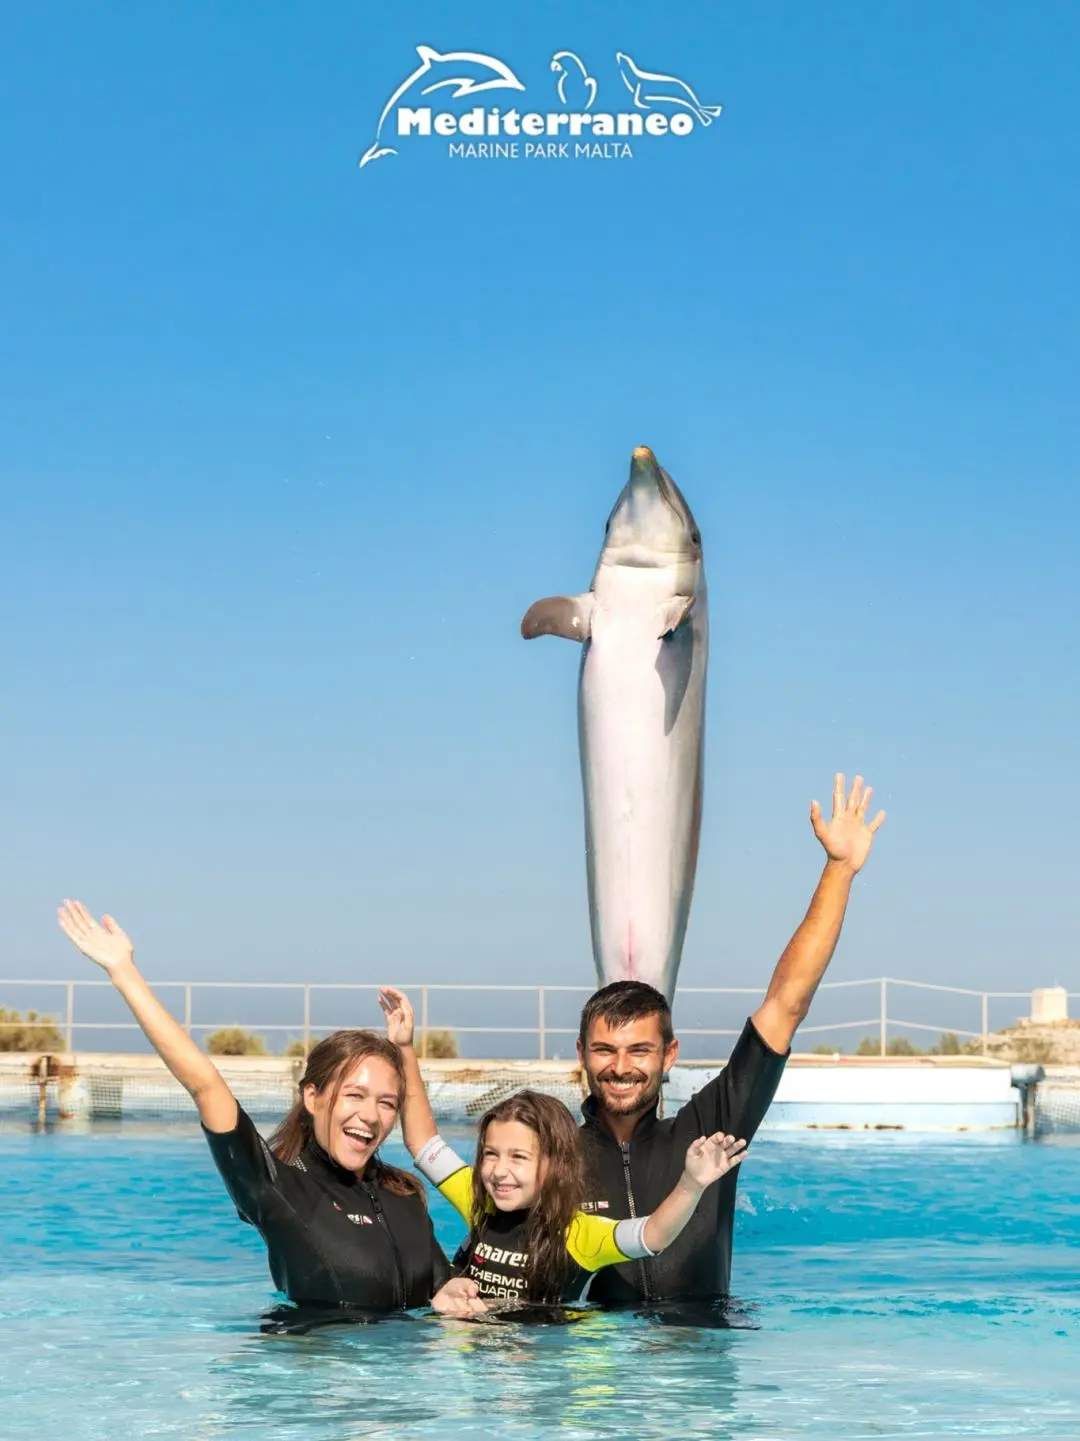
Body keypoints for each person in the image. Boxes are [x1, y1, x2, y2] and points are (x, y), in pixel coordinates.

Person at [55, 900, 479, 1320]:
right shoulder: (277, 1189)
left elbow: (436, 1290)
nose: (370, 1115)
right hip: (307, 1382)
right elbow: (205, 1085)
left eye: (386, 1103)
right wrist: (123, 972)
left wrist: (450, 1293)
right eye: (354, 1095)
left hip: (406, 1384)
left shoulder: (403, 1196)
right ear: (312, 1098)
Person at [575, 772, 886, 1305]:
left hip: (702, 1360)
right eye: (605, 1050)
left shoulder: (710, 1131)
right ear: (582, 1053)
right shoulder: (556, 1152)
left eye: (640, 1050)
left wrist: (839, 870)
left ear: (669, 1055)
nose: (621, 1066)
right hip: (601, 1374)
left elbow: (786, 1006)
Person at [378, 987, 747, 1311]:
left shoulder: (580, 1235)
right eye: (491, 1154)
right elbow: (424, 1144)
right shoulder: (480, 1201)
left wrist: (691, 1184)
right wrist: (405, 1048)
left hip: (545, 1362)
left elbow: (653, 1235)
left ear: (552, 1166)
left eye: (519, 1157)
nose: (499, 1171)